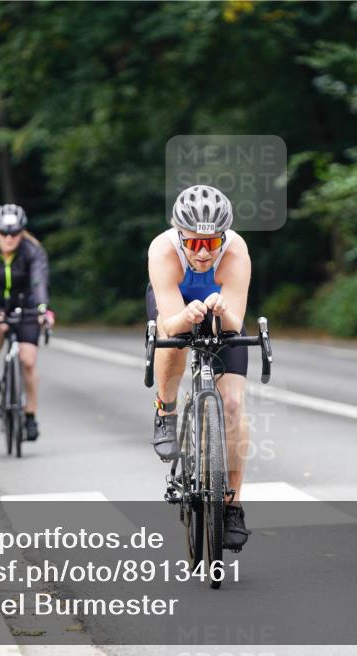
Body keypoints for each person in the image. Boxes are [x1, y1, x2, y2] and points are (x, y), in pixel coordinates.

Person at [146, 184, 252, 551]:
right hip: (174, 309)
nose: (204, 253)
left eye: (212, 243)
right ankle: (166, 409)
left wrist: (220, 314)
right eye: (193, 244)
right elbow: (167, 324)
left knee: (234, 407)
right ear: (180, 238)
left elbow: (235, 324)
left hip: (222, 312)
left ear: (224, 238)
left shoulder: (236, 252)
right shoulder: (163, 250)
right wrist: (183, 318)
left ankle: (233, 506)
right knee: (174, 342)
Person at [0, 204, 53, 442]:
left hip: (26, 303)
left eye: (15, 233)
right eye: (4, 232)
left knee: (28, 361)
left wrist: (41, 308)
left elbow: (39, 280)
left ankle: (30, 415)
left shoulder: (33, 251)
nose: (9, 238)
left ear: (22, 232)